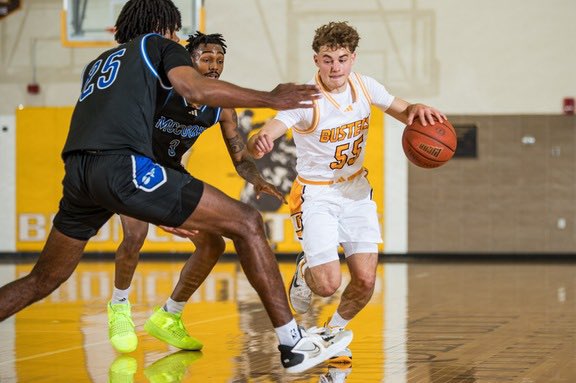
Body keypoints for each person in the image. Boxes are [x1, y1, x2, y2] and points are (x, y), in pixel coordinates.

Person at [0, 0, 352, 373]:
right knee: (247, 222)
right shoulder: (159, 45)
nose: (176, 37)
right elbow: (195, 90)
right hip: (125, 166)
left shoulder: (99, 63)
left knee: (43, 278)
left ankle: (170, 314)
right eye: (174, 29)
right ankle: (292, 344)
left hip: (79, 170)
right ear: (162, 25)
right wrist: (269, 98)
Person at [248, 21, 446, 362]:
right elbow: (273, 127)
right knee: (326, 285)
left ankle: (332, 332)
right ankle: (305, 270)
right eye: (327, 59)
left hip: (356, 191)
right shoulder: (304, 99)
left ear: (353, 58)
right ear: (316, 59)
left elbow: (405, 111)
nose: (335, 67)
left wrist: (418, 109)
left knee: (366, 281)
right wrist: (262, 138)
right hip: (317, 195)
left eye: (341, 58)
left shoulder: (365, 86)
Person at [107, 31, 286, 354]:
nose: (214, 65)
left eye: (219, 60)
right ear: (189, 61)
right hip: (134, 167)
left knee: (212, 243)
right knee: (135, 235)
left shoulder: (222, 106)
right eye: (207, 58)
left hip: (172, 173)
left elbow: (240, 158)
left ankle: (169, 316)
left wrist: (257, 179)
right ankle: (119, 307)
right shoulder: (163, 90)